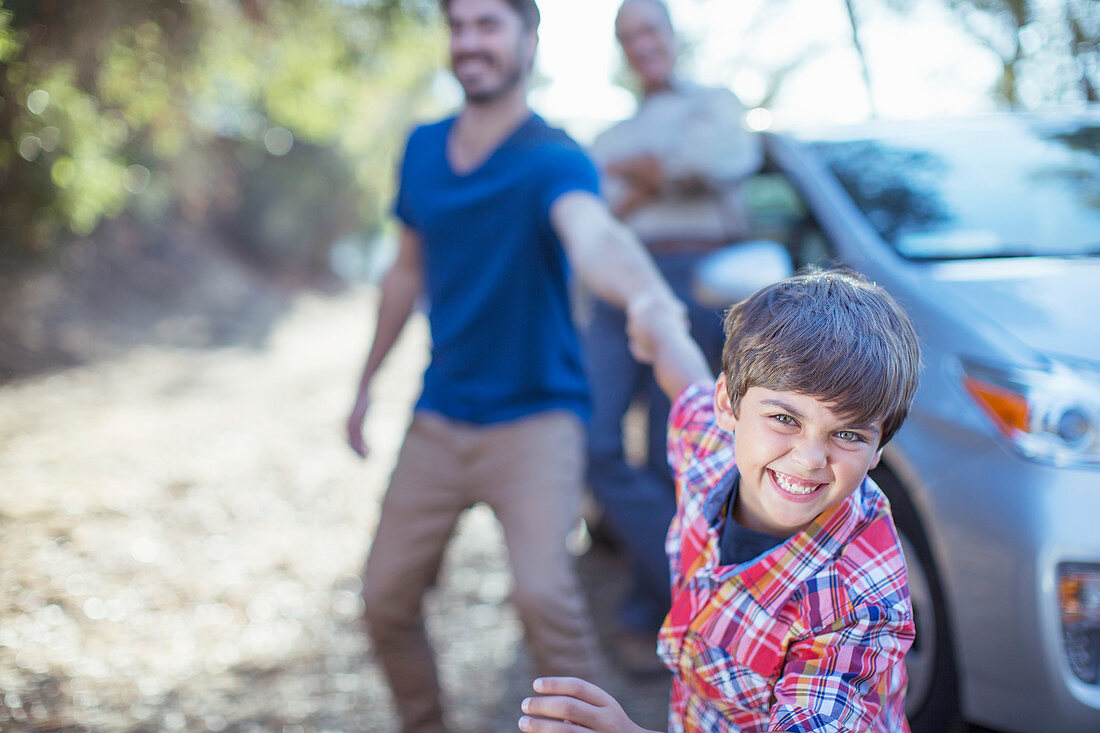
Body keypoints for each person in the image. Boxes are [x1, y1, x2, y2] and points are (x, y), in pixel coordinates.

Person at [344, 0, 685, 731]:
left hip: (539, 418)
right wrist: (365, 383)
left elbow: (592, 236)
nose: (470, 41)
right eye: (458, 25)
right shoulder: (423, 149)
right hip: (440, 415)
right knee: (384, 598)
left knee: (543, 597)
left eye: (488, 24)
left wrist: (650, 299)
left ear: (529, 40)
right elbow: (405, 272)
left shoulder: (554, 158)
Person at [518, 268, 921, 732]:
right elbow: (682, 372)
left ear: (879, 448)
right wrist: (659, 323)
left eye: (847, 434)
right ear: (729, 406)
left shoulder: (859, 602)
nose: (810, 459)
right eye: (785, 418)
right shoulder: (711, 449)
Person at [582, 0, 764, 650]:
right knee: (589, 440)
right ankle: (702, 589)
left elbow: (720, 158)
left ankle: (650, 609)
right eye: (628, 37)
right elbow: (599, 207)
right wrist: (663, 168)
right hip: (618, 284)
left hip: (699, 278)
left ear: (670, 36)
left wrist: (645, 172)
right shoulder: (613, 132)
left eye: (649, 31)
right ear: (622, 49)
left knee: (674, 448)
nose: (642, 45)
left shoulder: (716, 101)